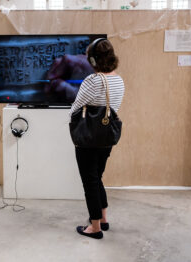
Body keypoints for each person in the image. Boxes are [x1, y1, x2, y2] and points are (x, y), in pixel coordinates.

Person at [69, 38, 125, 239]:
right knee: (97, 177)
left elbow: (76, 107)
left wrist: (71, 121)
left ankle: (94, 228)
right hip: (106, 137)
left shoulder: (93, 81)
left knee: (89, 181)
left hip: (88, 138)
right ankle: (103, 218)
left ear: (93, 60)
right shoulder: (118, 79)